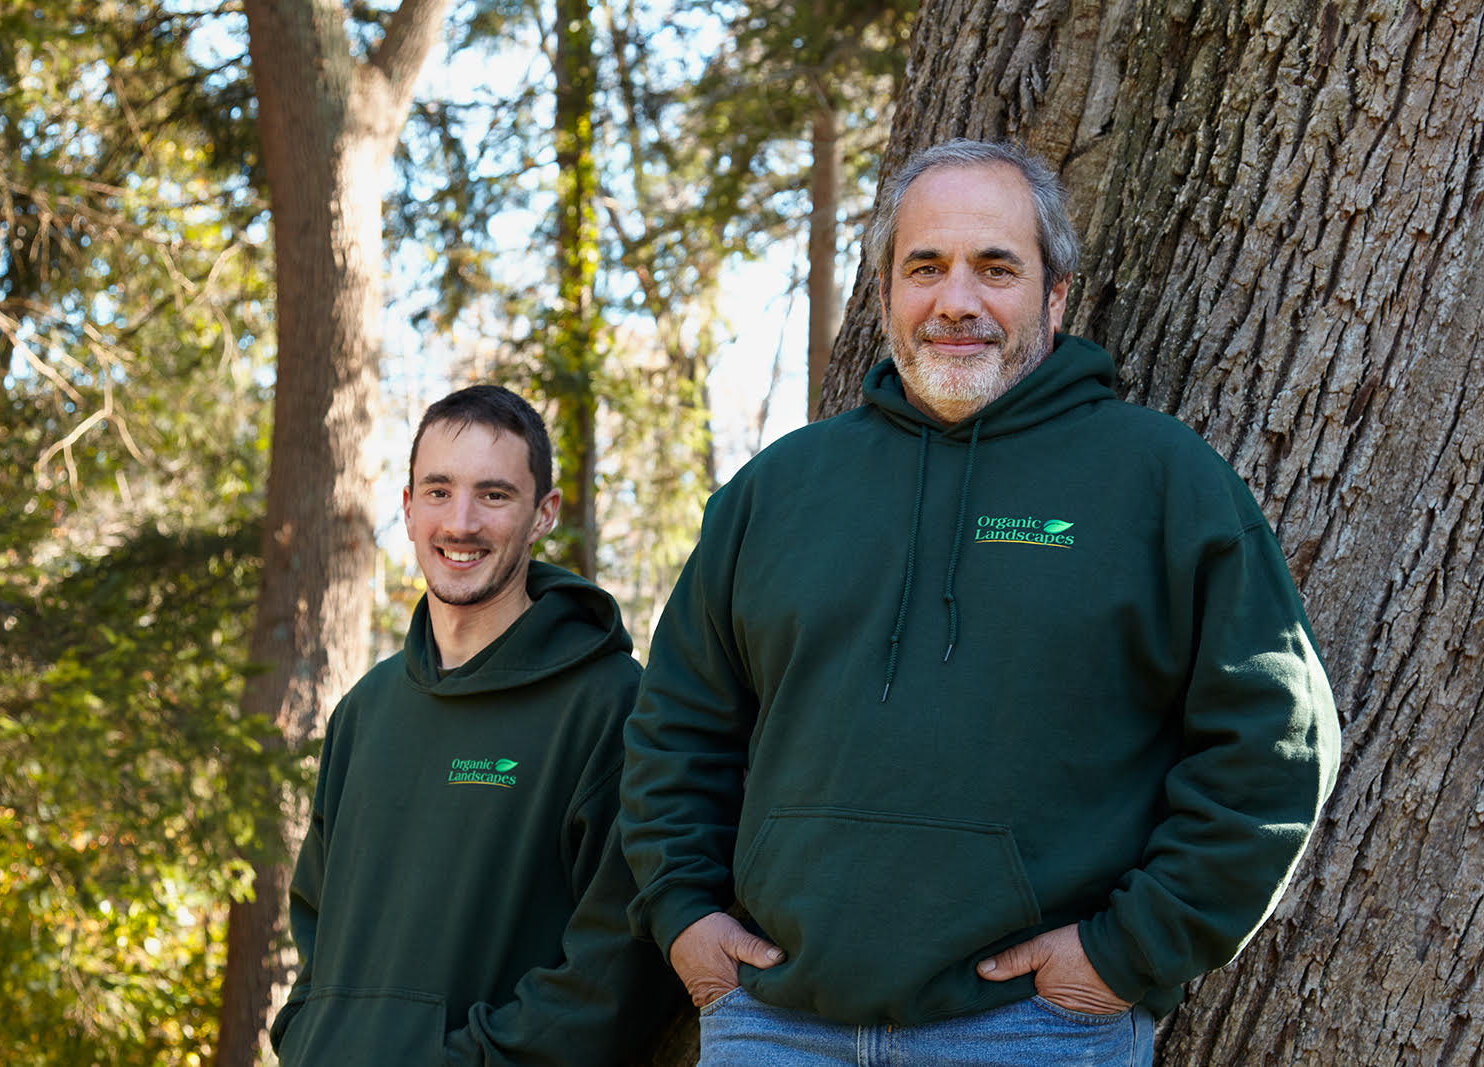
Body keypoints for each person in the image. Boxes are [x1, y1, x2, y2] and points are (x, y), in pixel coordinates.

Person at [619, 139, 1341, 1065]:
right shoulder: (778, 492)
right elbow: (677, 725)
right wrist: (682, 912)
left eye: (996, 267)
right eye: (926, 267)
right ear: (883, 294)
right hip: (774, 1021)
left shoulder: (1161, 482)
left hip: (1032, 1029)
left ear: (1056, 295)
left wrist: (1127, 952)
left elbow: (1274, 739)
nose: (957, 300)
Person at [271, 384, 680, 1066]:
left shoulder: (608, 706)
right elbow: (315, 919)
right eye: (437, 491)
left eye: (493, 495)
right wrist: (308, 1039)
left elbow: (620, 962)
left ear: (543, 512)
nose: (460, 522)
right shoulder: (365, 711)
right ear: (406, 507)